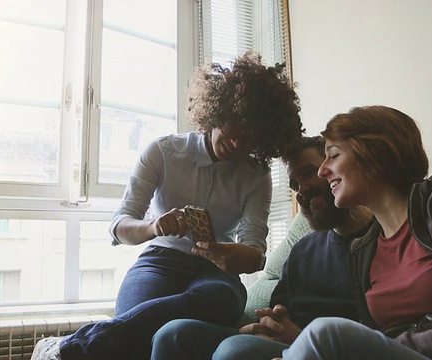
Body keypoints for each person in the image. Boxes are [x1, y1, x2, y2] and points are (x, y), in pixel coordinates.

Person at [30, 51, 304, 360]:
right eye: (236, 127)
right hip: (158, 261)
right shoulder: (164, 151)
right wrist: (153, 226)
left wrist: (229, 255)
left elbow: (255, 252)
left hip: (216, 274)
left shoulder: (256, 175)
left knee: (217, 297)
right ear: (218, 109)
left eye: (252, 138)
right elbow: (120, 225)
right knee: (138, 320)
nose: (239, 143)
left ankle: (67, 348)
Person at [279, 105, 432, 360]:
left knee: (324, 334)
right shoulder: (365, 249)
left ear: (376, 153)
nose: (323, 171)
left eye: (333, 156)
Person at [150, 136, 374, 360]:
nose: (302, 190)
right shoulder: (303, 249)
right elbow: (280, 308)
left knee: (237, 350)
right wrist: (271, 323)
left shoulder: (379, 242)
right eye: (294, 185)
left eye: (308, 173)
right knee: (173, 334)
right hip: (281, 344)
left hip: (327, 349)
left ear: (333, 170)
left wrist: (300, 338)